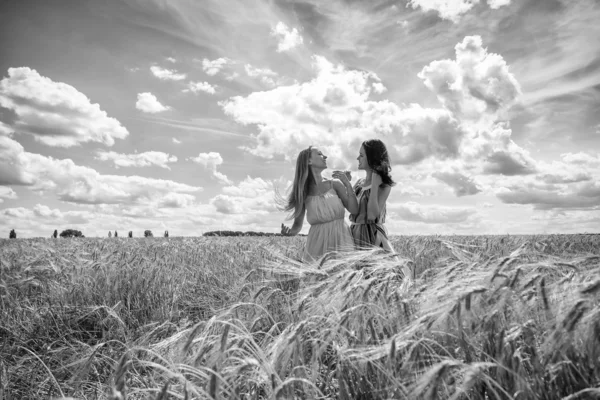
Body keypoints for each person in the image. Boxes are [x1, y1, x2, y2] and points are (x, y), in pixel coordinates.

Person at [280, 146, 358, 263]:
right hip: (317, 244)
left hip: (341, 239)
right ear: (309, 161)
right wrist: (290, 232)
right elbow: (297, 224)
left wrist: (347, 184)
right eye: (320, 154)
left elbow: (354, 209)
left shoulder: (335, 184)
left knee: (344, 275)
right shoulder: (303, 193)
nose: (325, 156)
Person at [350, 139, 396, 253]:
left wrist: (374, 185)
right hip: (354, 233)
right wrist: (346, 184)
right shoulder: (359, 183)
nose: (357, 158)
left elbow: (371, 216)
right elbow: (349, 208)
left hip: (372, 237)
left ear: (371, 158)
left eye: (361, 155)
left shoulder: (384, 186)